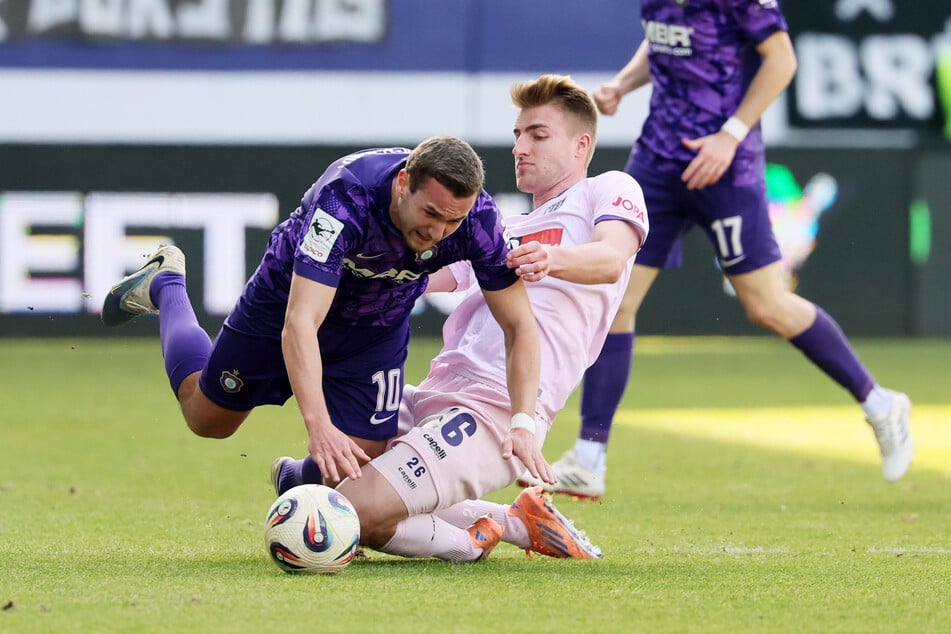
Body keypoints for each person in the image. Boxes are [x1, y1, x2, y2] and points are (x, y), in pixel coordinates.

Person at [518, 0, 914, 500]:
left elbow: (783, 60)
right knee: (615, 299)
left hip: (726, 166)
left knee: (766, 305)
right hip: (658, 163)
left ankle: (881, 404)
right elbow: (663, 38)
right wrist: (623, 83)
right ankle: (590, 457)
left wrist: (729, 136)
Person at [274, 74, 649, 562]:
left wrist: (550, 259)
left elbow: (612, 260)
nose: (521, 147)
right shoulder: (501, 227)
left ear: (582, 145)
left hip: (496, 408)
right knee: (327, 470)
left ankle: (488, 532)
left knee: (356, 510)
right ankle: (519, 517)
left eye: (538, 134)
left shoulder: (608, 190)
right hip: (438, 388)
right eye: (517, 135)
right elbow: (423, 274)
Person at [100, 135, 548, 486]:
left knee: (359, 454)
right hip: (285, 304)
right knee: (207, 420)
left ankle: (294, 482)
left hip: (374, 328)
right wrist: (317, 425)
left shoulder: (478, 221)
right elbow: (301, 322)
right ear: (402, 183)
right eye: (431, 213)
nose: (440, 231)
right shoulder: (345, 199)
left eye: (452, 221)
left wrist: (523, 422)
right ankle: (166, 284)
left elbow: (520, 326)